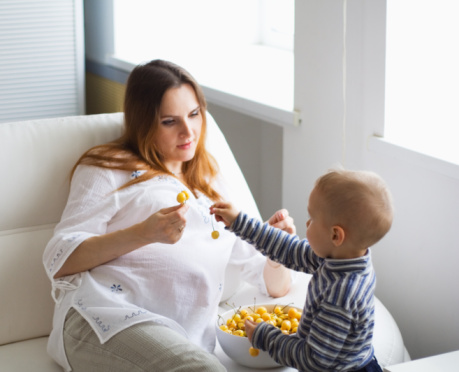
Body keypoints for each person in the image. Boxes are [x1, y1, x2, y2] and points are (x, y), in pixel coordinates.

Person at [42, 59, 295, 372]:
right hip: (103, 317)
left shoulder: (211, 181)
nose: (188, 131)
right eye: (169, 121)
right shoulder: (109, 167)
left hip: (180, 337)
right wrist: (143, 234)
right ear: (144, 123)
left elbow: (275, 285)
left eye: (194, 114)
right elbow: (58, 258)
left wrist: (276, 247)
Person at [210, 169, 394, 372]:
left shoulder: (341, 294)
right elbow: (289, 250)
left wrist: (266, 336)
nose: (307, 223)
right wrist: (239, 223)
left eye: (312, 218)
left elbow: (314, 360)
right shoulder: (341, 257)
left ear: (335, 235)